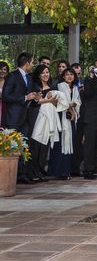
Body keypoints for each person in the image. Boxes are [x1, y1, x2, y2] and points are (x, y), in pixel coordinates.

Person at [3, 53, 41, 183]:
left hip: (26, 117)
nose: (32, 65)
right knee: (13, 146)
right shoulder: (12, 76)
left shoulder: (29, 79)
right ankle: (12, 175)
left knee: (25, 145)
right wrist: (25, 97)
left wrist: (35, 97)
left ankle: (23, 174)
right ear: (27, 63)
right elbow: (6, 96)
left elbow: (30, 97)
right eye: (32, 62)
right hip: (13, 116)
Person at [27, 64, 58, 180]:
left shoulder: (52, 85)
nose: (46, 75)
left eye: (47, 72)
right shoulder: (35, 86)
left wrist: (53, 101)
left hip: (49, 118)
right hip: (38, 118)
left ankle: (40, 170)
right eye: (43, 73)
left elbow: (56, 102)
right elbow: (35, 101)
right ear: (39, 75)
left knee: (45, 145)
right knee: (35, 145)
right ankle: (32, 172)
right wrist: (49, 100)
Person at [49, 68, 80, 179]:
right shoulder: (59, 86)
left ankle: (67, 171)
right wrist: (68, 106)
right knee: (60, 144)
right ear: (63, 76)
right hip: (61, 118)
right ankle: (58, 171)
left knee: (70, 143)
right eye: (67, 74)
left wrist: (74, 104)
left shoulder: (76, 88)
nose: (69, 76)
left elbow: (78, 101)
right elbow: (55, 100)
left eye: (71, 74)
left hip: (71, 119)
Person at [0, 60, 9, 127]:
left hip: (5, 107)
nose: (2, 71)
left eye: (4, 69)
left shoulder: (9, 82)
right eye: (0, 69)